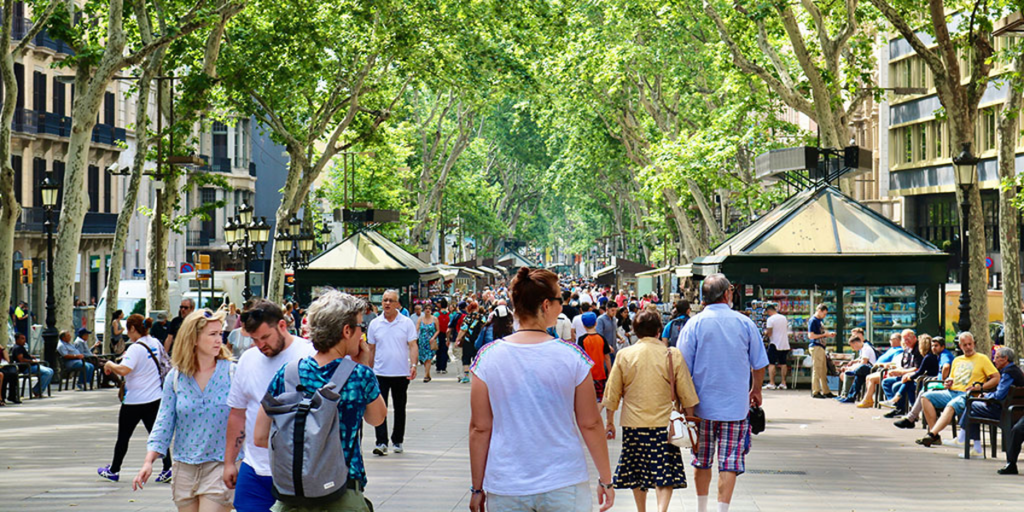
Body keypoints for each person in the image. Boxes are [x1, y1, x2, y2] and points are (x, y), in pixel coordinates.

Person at [468, 267, 614, 512]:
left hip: (507, 485)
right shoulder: (573, 357)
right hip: (564, 482)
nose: (561, 306)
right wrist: (606, 479)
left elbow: (480, 428)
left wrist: (477, 488)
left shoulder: (487, 358)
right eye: (559, 300)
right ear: (546, 305)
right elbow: (590, 423)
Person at [254, 290, 387, 512]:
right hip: (343, 493)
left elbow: (259, 436)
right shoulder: (359, 376)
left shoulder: (288, 374)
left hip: (293, 495)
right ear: (346, 330)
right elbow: (377, 418)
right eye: (360, 328)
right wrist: (363, 365)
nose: (361, 335)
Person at [678, 273, 768, 512]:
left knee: (702, 460)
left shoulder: (693, 324)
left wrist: (683, 404)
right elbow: (759, 363)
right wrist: (756, 390)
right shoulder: (744, 323)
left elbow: (681, 367)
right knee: (729, 463)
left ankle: (701, 508)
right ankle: (722, 510)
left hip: (701, 408)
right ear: (728, 294)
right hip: (735, 408)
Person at [133, 309, 235, 511]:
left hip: (220, 465)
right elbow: (164, 421)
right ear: (194, 339)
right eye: (212, 334)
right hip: (184, 468)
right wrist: (148, 461)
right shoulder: (176, 377)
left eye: (220, 334)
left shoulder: (233, 373)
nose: (219, 340)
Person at [222, 299, 314, 512]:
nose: (261, 345)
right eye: (254, 339)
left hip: (297, 470)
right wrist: (229, 462)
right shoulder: (248, 359)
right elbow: (237, 413)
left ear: (282, 326)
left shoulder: (309, 355)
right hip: (254, 468)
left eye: (265, 337)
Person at [603, 309, 699, 512]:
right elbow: (686, 392)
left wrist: (610, 421)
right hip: (665, 425)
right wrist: (691, 418)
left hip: (633, 424)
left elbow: (612, 393)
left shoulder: (624, 355)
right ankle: (661, 510)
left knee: (637, 471)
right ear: (658, 331)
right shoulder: (671, 355)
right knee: (664, 472)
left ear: (635, 331)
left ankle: (641, 510)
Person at [98, 315, 173, 483]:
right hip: (155, 398)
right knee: (157, 435)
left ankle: (114, 470)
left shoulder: (135, 348)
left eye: (128, 329)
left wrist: (109, 365)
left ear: (133, 329)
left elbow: (124, 370)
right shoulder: (155, 342)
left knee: (123, 437)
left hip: (134, 401)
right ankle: (168, 467)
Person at [909, 332, 999, 445]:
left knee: (952, 404)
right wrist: (948, 382)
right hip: (951, 391)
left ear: (974, 344)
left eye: (970, 344)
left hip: (968, 394)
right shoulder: (957, 360)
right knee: (925, 397)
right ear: (960, 346)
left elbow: (996, 378)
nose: (968, 347)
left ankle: (931, 434)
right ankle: (935, 435)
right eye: (965, 345)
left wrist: (980, 387)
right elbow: (951, 377)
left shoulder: (982, 359)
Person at [367, 289, 418, 456]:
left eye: (390, 300)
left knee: (399, 407)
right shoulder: (375, 324)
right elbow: (371, 349)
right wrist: (369, 370)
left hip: (400, 372)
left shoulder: (406, 323)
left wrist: (414, 365)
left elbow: (412, 345)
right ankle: (381, 442)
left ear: (397, 304)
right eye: (384, 300)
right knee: (379, 409)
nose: (387, 303)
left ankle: (398, 440)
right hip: (380, 372)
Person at [955, 346, 1024, 458]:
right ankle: (974, 447)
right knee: (973, 407)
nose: (994, 360)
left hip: (1003, 412)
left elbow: (999, 395)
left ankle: (964, 439)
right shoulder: (1016, 371)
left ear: (1005, 358)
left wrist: (987, 396)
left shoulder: (1008, 373)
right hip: (1016, 411)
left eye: (996, 357)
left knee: (971, 405)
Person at [857, 329, 921, 409]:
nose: (905, 342)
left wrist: (899, 370)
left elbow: (916, 368)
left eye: (907, 339)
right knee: (884, 381)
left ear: (914, 338)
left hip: (909, 376)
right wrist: (896, 369)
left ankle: (896, 405)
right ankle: (894, 405)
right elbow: (903, 365)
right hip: (899, 372)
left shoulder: (915, 350)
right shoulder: (906, 350)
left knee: (895, 384)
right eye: (904, 340)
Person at [883, 334, 941, 416]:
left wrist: (909, 377)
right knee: (905, 383)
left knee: (908, 383)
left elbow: (919, 372)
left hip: (928, 381)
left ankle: (901, 404)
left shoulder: (928, 357)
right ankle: (905, 407)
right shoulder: (930, 356)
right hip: (926, 379)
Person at [576, 312, 610, 402]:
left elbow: (580, 358)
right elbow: (607, 357)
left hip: (586, 375)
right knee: (600, 400)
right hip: (600, 374)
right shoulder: (601, 338)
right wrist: (610, 372)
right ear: (596, 323)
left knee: (587, 400)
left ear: (583, 325)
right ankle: (598, 414)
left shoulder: (581, 340)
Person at [835, 335, 877, 403]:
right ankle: (850, 397)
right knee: (858, 379)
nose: (853, 348)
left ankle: (847, 394)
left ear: (856, 343)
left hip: (870, 369)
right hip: (863, 371)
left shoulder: (866, 349)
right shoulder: (863, 349)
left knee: (855, 372)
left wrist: (851, 368)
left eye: (852, 346)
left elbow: (864, 363)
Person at [807, 304, 836, 399]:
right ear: (819, 310)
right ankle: (815, 391)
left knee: (823, 370)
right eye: (824, 313)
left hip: (821, 347)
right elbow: (811, 336)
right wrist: (825, 335)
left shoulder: (819, 321)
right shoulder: (813, 321)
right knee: (817, 369)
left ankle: (826, 390)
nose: (824, 316)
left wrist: (826, 335)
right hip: (816, 346)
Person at [11, 332, 52, 398]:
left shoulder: (21, 347)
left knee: (51, 370)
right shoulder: (17, 348)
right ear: (17, 339)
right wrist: (31, 361)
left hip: (32, 366)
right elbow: (21, 359)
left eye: (24, 338)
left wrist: (30, 356)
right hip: (27, 367)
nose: (24, 340)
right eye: (22, 339)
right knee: (47, 373)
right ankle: (37, 390)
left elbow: (24, 356)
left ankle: (38, 389)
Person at [455, 301, 485, 385]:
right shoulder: (482, 317)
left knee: (466, 358)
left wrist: (458, 339)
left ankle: (466, 376)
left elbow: (463, 329)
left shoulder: (467, 317)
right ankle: (478, 377)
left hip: (468, 340)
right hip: (478, 341)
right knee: (478, 358)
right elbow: (484, 327)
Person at [762, 303, 790, 390]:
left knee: (771, 363)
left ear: (769, 311)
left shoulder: (770, 319)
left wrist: (765, 333)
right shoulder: (783, 318)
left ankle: (772, 383)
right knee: (783, 363)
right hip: (784, 343)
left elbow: (769, 333)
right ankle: (783, 382)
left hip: (774, 343)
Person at [416, 302, 439, 383]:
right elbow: (416, 329)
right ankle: (428, 374)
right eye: (426, 309)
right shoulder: (420, 319)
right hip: (422, 341)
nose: (428, 310)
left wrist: (433, 337)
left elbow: (438, 330)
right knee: (424, 358)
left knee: (429, 358)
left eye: (429, 309)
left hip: (431, 341)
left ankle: (426, 375)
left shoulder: (435, 319)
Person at [596, 301, 620, 365]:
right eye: (612, 310)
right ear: (607, 309)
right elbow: (599, 335)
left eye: (615, 311)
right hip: (605, 349)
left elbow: (614, 331)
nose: (614, 313)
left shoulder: (614, 319)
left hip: (614, 348)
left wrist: (620, 337)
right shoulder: (600, 319)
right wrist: (607, 345)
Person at [436, 298, 451, 375]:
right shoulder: (450, 315)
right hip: (447, 334)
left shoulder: (436, 314)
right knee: (445, 350)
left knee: (438, 350)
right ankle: (443, 368)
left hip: (438, 334)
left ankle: (438, 367)